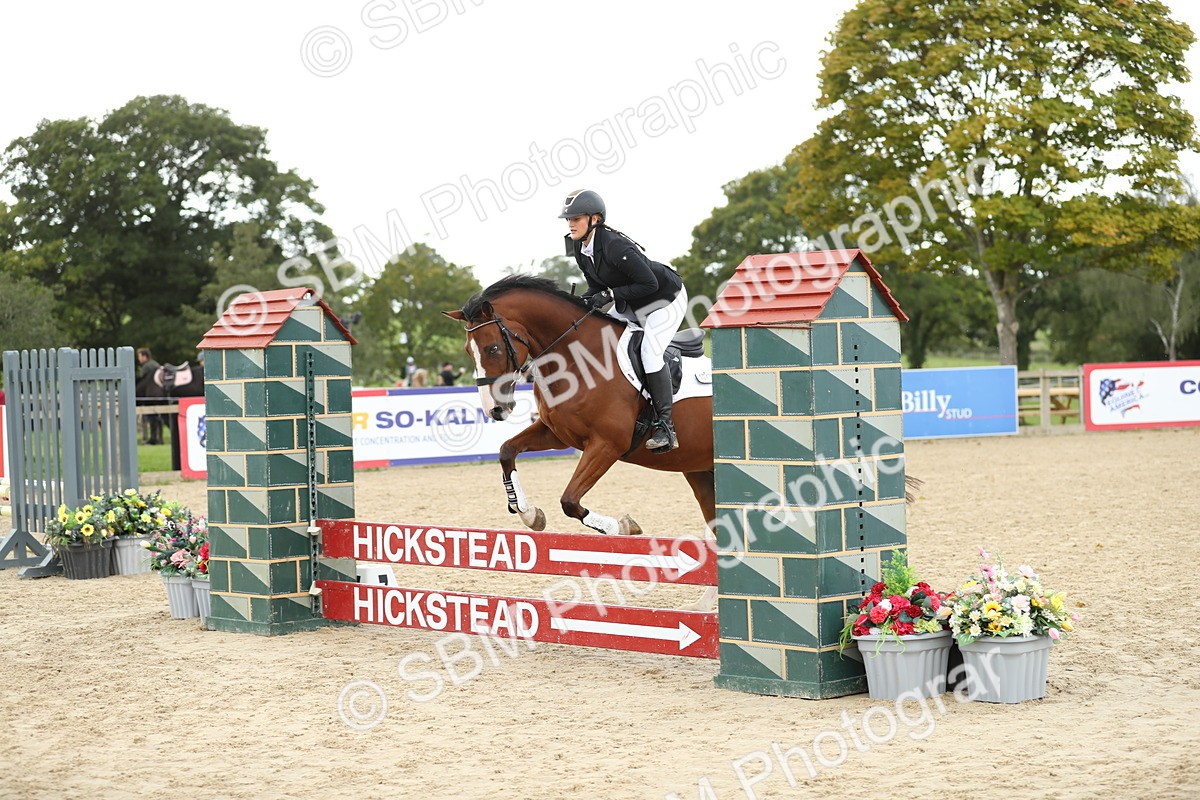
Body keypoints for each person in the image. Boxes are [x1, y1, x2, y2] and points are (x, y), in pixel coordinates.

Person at [560, 189, 687, 451]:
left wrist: (609, 294)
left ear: (595, 219)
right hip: (632, 302)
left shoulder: (615, 246)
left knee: (651, 353)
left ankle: (666, 427)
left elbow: (649, 284)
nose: (570, 223)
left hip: (665, 299)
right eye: (568, 219)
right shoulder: (579, 247)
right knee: (602, 337)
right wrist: (580, 303)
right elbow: (595, 286)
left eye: (576, 218)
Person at [135, 347, 165, 445]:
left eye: (139, 356)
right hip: (160, 394)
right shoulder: (156, 364)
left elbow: (144, 383)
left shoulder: (146, 367)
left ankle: (153, 438)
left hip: (150, 395)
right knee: (160, 418)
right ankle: (160, 438)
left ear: (144, 356)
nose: (138, 358)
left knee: (151, 418)